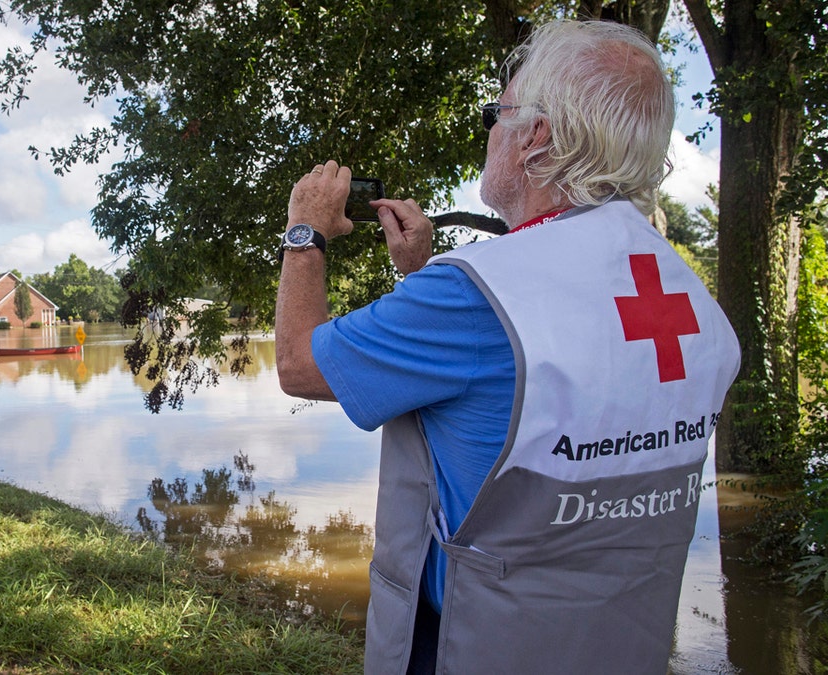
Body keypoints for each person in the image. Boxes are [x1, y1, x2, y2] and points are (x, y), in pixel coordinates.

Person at [275, 20, 740, 674]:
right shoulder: (689, 298)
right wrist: (419, 278)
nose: (490, 130)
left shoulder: (470, 299)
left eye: (498, 113)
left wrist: (304, 230)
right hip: (621, 646)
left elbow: (299, 362)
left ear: (535, 136)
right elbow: (533, 387)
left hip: (477, 647)